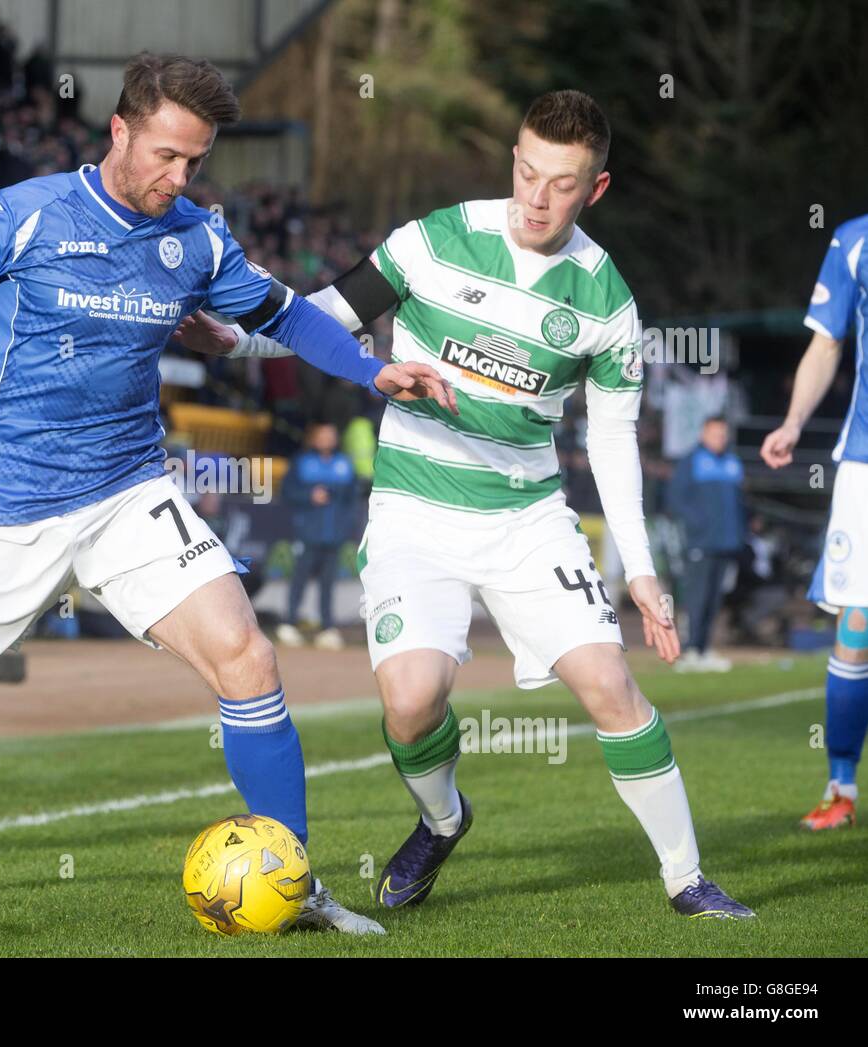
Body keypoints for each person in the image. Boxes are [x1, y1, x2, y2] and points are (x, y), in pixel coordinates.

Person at [0, 52, 448, 933]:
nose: (178, 178)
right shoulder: (18, 218)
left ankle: (290, 881)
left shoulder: (197, 238)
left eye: (196, 162)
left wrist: (372, 373)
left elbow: (284, 314)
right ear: (120, 130)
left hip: (127, 490)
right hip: (8, 504)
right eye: (166, 156)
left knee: (248, 658)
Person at [177, 90, 754, 919]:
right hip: (414, 511)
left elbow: (613, 440)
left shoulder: (606, 303)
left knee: (609, 685)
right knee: (411, 703)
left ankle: (686, 879)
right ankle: (443, 819)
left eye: (561, 183)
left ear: (596, 189)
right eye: (526, 171)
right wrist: (239, 340)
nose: (537, 196)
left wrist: (645, 572)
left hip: (529, 519)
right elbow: (328, 318)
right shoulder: (432, 241)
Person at [761, 212, 868, 831]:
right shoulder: (853, 242)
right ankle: (842, 785)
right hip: (863, 463)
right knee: (856, 626)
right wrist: (794, 421)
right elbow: (826, 342)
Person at [666, 416, 747, 671]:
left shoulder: (733, 463)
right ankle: (689, 649)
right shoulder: (692, 462)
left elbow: (740, 502)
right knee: (696, 598)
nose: (720, 439)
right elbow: (675, 499)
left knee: (713, 600)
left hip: (726, 543)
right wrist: (697, 525)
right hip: (700, 543)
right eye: (715, 434)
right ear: (703, 434)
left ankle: (703, 648)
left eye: (723, 434)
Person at [277, 422, 356, 650]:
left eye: (331, 434)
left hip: (334, 534)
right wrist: (309, 495)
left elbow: (352, 499)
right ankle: (289, 622)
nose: (327, 439)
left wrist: (346, 526)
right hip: (307, 532)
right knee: (299, 579)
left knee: (328, 583)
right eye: (322, 435)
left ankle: (327, 627)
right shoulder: (302, 462)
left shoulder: (345, 463)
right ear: (314, 438)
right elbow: (287, 492)